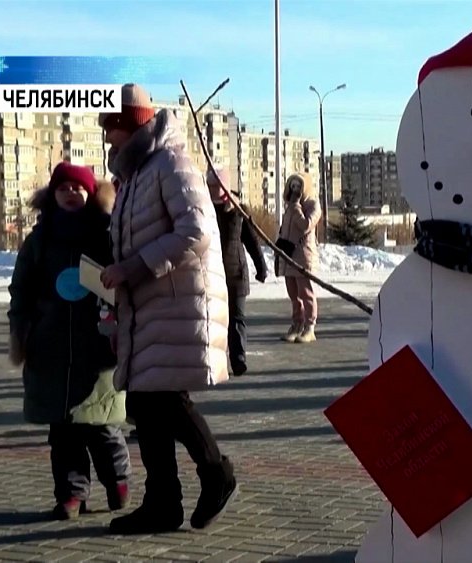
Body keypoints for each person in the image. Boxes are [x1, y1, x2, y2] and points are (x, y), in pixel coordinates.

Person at [98, 83, 236, 534]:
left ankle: (216, 472)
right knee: (144, 399)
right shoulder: (139, 173)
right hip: (149, 304)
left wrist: (135, 266)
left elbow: (195, 230)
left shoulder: (170, 162)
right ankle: (162, 503)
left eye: (112, 128)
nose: (107, 140)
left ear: (132, 126)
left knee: (166, 398)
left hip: (177, 301)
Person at [7, 164, 131, 520]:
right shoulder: (39, 239)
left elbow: (123, 282)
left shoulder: (107, 234)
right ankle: (71, 494)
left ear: (91, 194)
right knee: (62, 431)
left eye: (78, 188)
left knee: (101, 424)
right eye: (63, 188)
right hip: (51, 345)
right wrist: (22, 330)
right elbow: (22, 289)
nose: (71, 193)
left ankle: (117, 479)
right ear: (53, 194)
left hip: (97, 343)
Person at [208, 165, 268, 375]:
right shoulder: (203, 209)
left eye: (216, 185)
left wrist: (261, 267)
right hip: (212, 276)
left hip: (236, 275)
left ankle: (239, 359)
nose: (213, 190)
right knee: (215, 320)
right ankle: (214, 361)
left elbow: (252, 241)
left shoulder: (238, 211)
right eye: (210, 185)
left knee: (237, 319)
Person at [275, 173, 322, 343]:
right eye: (292, 186)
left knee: (305, 292)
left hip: (303, 255)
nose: (295, 190)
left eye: (298, 186)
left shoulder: (312, 205)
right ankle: (297, 324)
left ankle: (310, 326)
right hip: (288, 255)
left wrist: (296, 208)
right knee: (293, 293)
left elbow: (305, 226)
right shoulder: (290, 206)